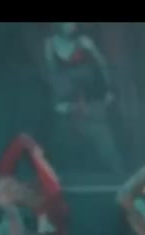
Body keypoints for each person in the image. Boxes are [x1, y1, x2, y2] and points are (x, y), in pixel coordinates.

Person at [42, 22, 124, 174]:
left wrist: (108, 90)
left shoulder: (85, 43)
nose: (70, 25)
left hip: (91, 104)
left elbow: (102, 67)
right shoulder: (50, 45)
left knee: (106, 144)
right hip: (66, 106)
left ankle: (118, 174)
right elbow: (51, 75)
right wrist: (59, 101)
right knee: (60, 147)